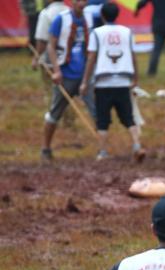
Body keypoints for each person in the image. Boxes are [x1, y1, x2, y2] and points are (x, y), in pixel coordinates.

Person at [80, 2, 145, 162]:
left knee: (102, 119)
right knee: (128, 117)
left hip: (103, 82)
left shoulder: (96, 33)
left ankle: (102, 151)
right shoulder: (127, 32)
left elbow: (91, 58)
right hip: (123, 80)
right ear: (118, 15)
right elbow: (133, 56)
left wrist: (85, 81)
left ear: (102, 15)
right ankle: (137, 145)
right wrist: (135, 79)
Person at [42, 0, 96, 162]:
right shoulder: (61, 19)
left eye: (84, 1)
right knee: (54, 114)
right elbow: (50, 46)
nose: (82, 4)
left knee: (97, 113)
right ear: (72, 2)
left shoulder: (90, 18)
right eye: (79, 1)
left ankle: (103, 149)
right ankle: (46, 148)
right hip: (65, 74)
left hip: (85, 75)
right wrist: (56, 70)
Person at [32, 0, 67, 70]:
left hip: (51, 61)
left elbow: (42, 41)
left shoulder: (46, 13)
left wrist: (36, 58)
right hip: (69, 59)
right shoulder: (69, 11)